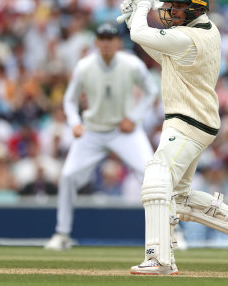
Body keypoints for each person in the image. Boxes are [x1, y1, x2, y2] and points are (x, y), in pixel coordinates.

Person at [121, 0, 228, 275]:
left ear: (196, 8)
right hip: (196, 120)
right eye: (169, 7)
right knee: (178, 198)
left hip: (187, 121)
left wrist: (143, 2)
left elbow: (142, 34)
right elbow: (150, 43)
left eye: (177, 8)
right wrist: (135, 14)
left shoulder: (188, 38)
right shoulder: (202, 31)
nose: (170, 12)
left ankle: (158, 258)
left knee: (157, 178)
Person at [44, 23, 158, 250]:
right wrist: (75, 123)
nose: (106, 43)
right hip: (92, 131)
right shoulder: (84, 67)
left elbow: (151, 91)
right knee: (67, 176)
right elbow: (69, 100)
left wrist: (134, 118)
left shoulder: (131, 64)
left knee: (152, 176)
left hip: (124, 130)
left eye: (110, 39)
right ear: (96, 42)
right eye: (102, 39)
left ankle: (170, 234)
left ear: (118, 43)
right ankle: (62, 233)